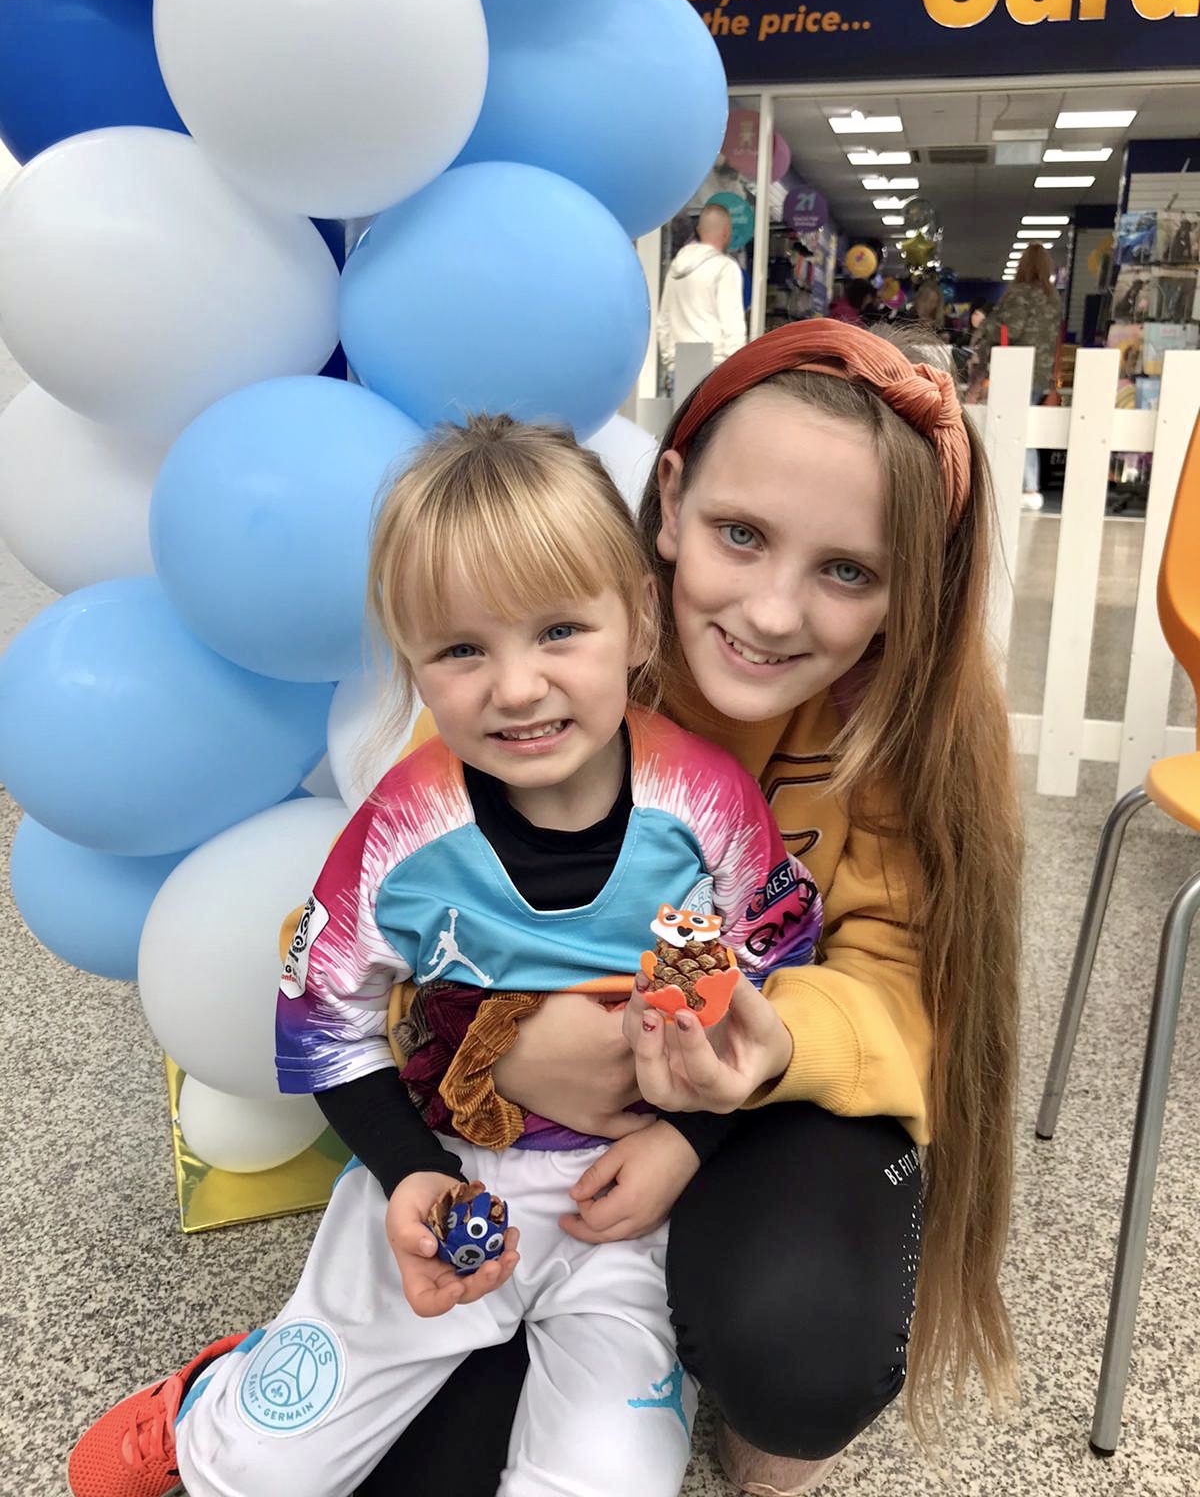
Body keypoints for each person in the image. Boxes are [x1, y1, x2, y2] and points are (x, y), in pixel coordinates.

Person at [70, 320, 1022, 1497]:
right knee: (313, 1459)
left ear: (907, 588)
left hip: (677, 1158)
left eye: (848, 570)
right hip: (477, 1150)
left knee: (671, 1421)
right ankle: (232, 1405)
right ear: (669, 503)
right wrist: (487, 1052)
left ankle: (745, 1383)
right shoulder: (456, 771)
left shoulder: (760, 789)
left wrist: (720, 1099)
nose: (774, 613)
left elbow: (809, 963)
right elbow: (338, 989)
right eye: (741, 533)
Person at [969, 245, 1062, 511]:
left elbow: (1010, 329)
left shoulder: (1019, 293)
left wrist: (984, 323)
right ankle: (1029, 486)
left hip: (1014, 370)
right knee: (1026, 427)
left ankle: (1020, 484)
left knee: (1008, 427)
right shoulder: (1052, 297)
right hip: (1039, 371)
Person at [657, 201, 747, 379]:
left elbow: (663, 320)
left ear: (699, 230)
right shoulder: (725, 268)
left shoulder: (676, 267)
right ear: (726, 232)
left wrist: (670, 358)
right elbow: (732, 323)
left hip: (680, 364)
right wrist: (735, 369)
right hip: (714, 366)